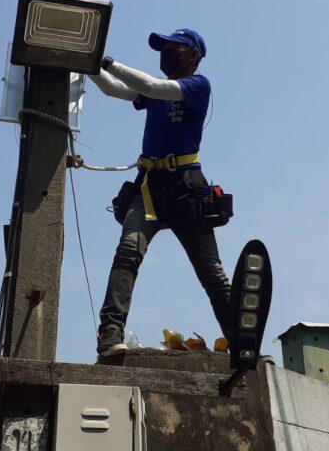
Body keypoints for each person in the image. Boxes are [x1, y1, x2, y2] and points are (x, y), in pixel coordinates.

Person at [88, 28, 232, 357]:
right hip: (149, 187)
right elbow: (113, 89)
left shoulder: (197, 85)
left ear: (194, 55)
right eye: (164, 48)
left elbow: (152, 86)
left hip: (186, 190)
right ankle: (110, 334)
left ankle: (242, 343)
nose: (166, 54)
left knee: (212, 274)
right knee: (128, 253)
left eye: (174, 48)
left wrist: (108, 63)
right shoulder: (155, 90)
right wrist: (88, 65)